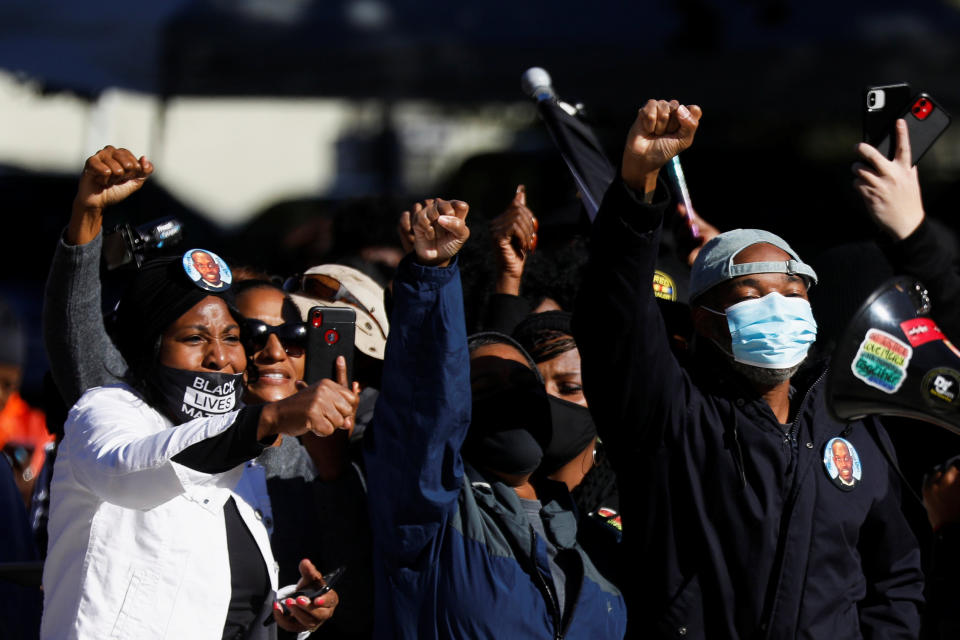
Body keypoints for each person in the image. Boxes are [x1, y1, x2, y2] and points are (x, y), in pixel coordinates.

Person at [575, 99, 923, 638]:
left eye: (792, 293)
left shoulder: (854, 424)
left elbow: (895, 572)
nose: (778, 306)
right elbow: (615, 313)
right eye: (751, 294)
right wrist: (638, 188)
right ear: (705, 318)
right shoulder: (671, 417)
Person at [41, 146, 350, 638]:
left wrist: (291, 612)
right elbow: (133, 469)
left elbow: (216, 598)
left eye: (231, 338)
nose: (220, 358)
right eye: (193, 339)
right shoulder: (105, 410)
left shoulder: (244, 465)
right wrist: (88, 217)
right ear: (149, 348)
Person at [364, 197, 626, 639]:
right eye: (485, 388)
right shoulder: (432, 517)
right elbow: (423, 406)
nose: (511, 397)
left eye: (524, 387)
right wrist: (431, 275)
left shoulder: (592, 543)